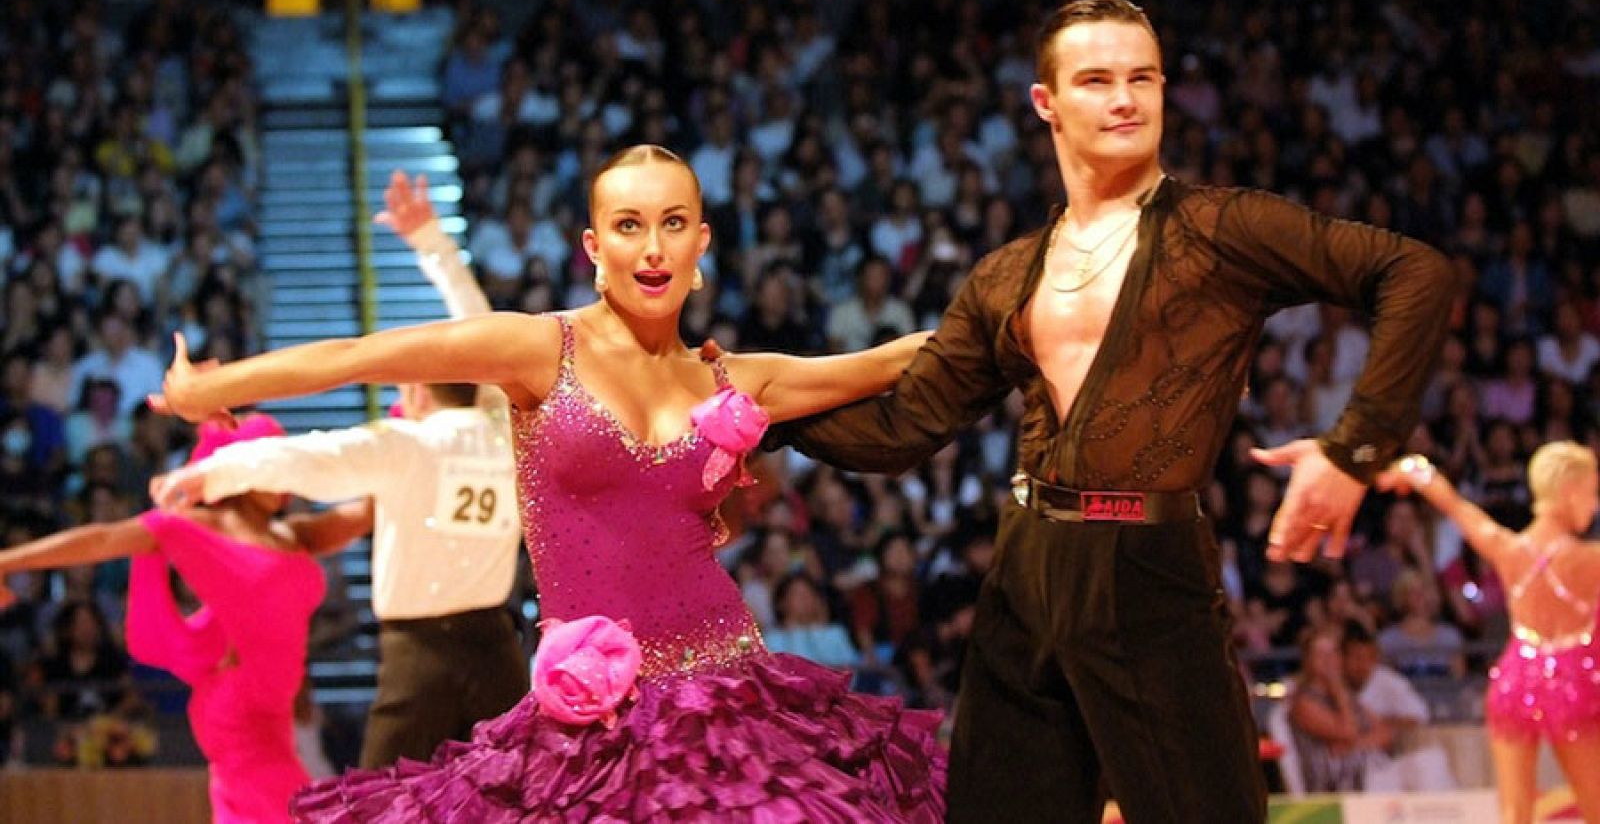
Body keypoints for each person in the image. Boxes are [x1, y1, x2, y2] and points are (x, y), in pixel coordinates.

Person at [762, 0, 1455, 822]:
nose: (1126, 99)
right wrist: (749, 413)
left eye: (1143, 78)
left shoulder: (1221, 228)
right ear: (1046, 103)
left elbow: (1416, 273)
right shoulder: (1006, 273)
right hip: (1025, 568)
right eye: (1096, 79)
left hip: (1150, 567)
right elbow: (897, 431)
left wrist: (1355, 449)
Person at [150, 145, 946, 821]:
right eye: (629, 227)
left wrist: (1046, 307)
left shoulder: (734, 378)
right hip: (592, 713)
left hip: (728, 691)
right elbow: (361, 355)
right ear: (593, 246)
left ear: (703, 240)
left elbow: (893, 360)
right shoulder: (539, 350)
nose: (653, 249)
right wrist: (212, 391)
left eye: (673, 224)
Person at [153, 173, 529, 769]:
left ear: (418, 388)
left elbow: (312, 457)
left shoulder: (408, 444)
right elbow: (482, 332)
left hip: (419, 653)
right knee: (529, 793)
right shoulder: (507, 431)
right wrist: (432, 240)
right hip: (496, 643)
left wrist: (213, 473)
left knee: (379, 805)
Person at [0, 415, 326, 824]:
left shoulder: (291, 535)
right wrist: (8, 562)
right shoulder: (200, 527)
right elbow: (101, 539)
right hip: (239, 707)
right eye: (269, 468)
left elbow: (363, 514)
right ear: (240, 473)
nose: (281, 482)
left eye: (285, 468)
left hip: (274, 710)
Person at [1382, 444, 1600, 823]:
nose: (1595, 505)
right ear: (1569, 492)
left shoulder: (1507, 547)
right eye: (1592, 492)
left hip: (1515, 683)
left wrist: (1414, 470)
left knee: (1514, 813)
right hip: (1575, 688)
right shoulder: (1590, 560)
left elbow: (1456, 506)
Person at [1341, 621, 1457, 792]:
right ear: (1343, 658)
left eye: (1369, 658)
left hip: (1383, 761)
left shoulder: (1389, 682)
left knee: (1432, 762)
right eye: (1356, 658)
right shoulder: (1333, 685)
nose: (1362, 665)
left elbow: (1419, 716)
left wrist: (1382, 725)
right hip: (1343, 764)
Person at [1287, 627, 1392, 793]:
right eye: (1320, 654)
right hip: (1330, 781)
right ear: (1308, 660)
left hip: (1364, 771)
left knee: (1428, 761)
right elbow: (1348, 731)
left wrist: (1355, 745)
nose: (1328, 659)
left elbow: (1385, 733)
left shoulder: (1347, 695)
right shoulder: (1303, 702)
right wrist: (1338, 692)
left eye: (1333, 653)